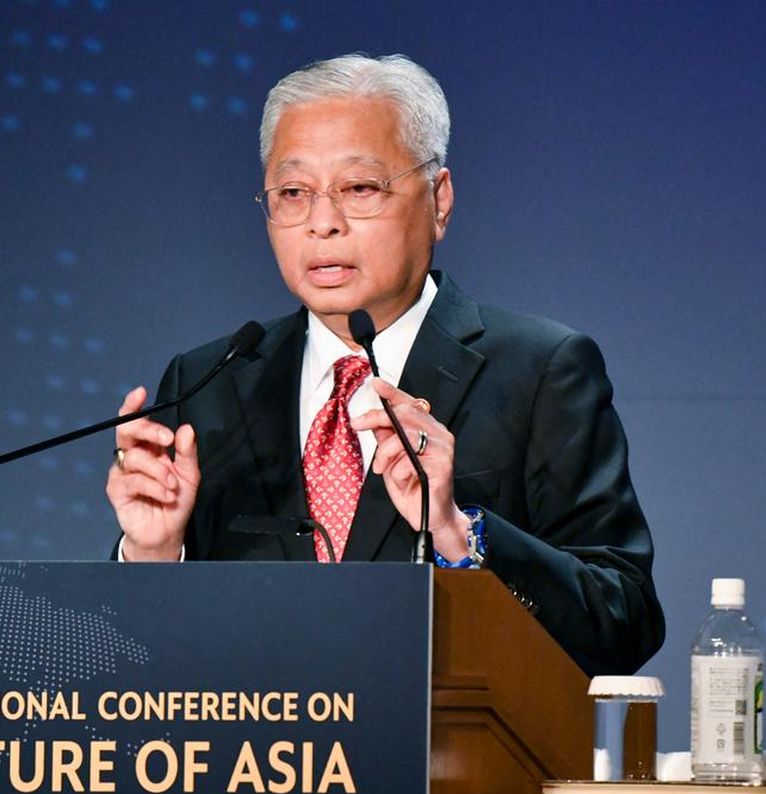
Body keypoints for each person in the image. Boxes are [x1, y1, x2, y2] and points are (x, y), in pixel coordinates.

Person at [105, 53, 664, 676]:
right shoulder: (209, 382)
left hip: (451, 765)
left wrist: (457, 532)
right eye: (292, 194)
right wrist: (154, 553)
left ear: (439, 199)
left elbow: (623, 622)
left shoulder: (540, 371)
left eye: (360, 189)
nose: (322, 224)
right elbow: (146, 666)